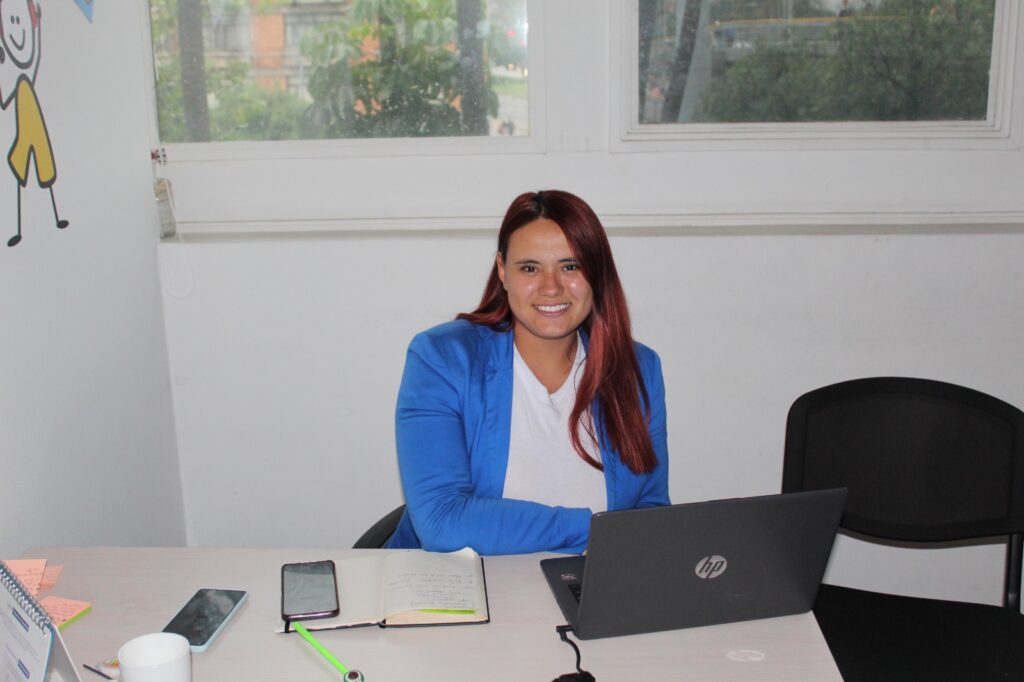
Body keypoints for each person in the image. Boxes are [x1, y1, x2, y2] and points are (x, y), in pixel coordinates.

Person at [386, 190, 670, 555]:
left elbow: (651, 511)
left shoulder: (638, 370)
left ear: (597, 273)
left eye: (570, 266)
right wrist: (600, 529)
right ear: (503, 271)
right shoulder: (443, 360)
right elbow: (443, 521)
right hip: (466, 592)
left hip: (593, 593)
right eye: (530, 268)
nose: (551, 287)